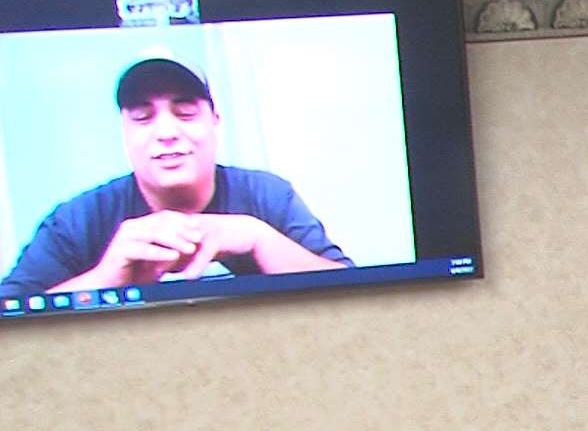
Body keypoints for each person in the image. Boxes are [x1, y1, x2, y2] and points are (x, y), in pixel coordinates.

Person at [0, 52, 351, 300]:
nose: (166, 131)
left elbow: (355, 293)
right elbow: (11, 317)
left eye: (184, 112)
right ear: (124, 132)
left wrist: (258, 237)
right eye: (142, 116)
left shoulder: (266, 194)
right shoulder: (79, 219)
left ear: (215, 122)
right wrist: (107, 277)